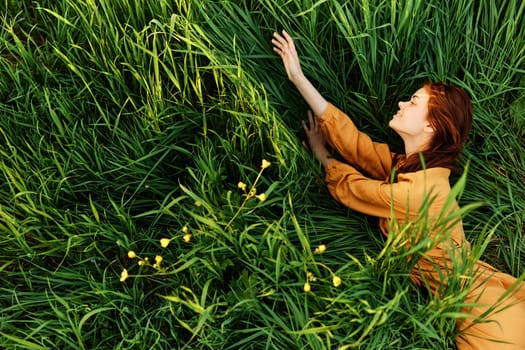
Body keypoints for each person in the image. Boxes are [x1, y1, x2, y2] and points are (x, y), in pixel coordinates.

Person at [272, 29, 525, 349]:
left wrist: (322, 156)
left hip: (488, 319)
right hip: (487, 305)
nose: (403, 103)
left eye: (415, 101)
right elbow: (358, 146)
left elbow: (355, 189)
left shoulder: (418, 193)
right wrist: (298, 78)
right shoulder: (416, 170)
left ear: (431, 125)